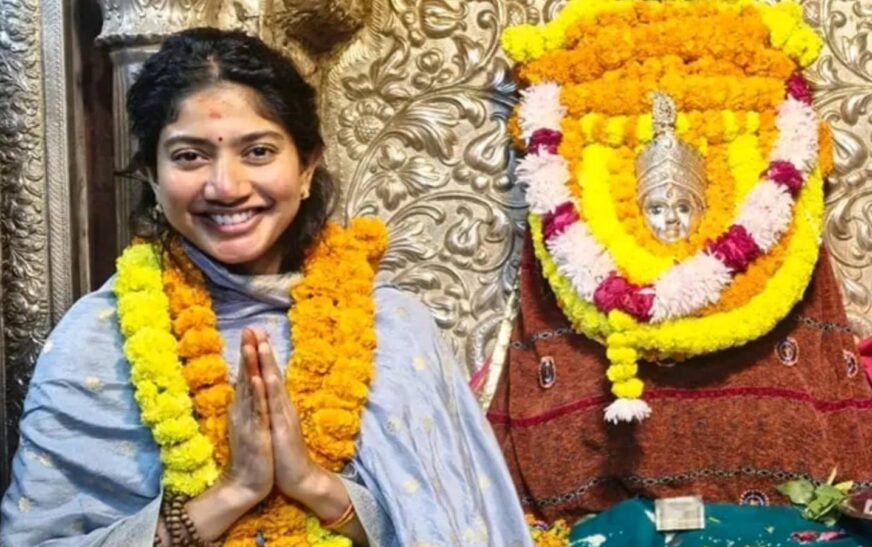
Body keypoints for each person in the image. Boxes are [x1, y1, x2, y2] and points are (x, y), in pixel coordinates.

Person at [0, 27, 532, 546]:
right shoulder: (97, 339)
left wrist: (313, 485)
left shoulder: (393, 327)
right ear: (152, 178)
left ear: (306, 169)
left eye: (258, 151)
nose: (226, 186)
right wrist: (234, 492)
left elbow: (465, 528)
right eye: (189, 155)